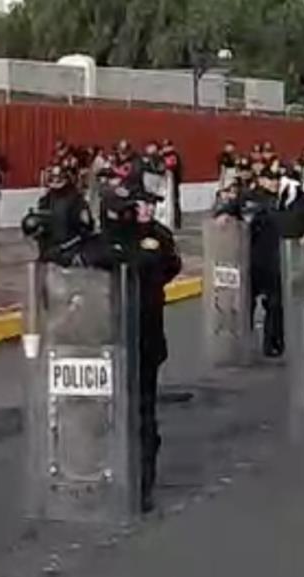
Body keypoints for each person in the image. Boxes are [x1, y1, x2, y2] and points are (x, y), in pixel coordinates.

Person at [89, 183, 181, 513]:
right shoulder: (105, 237)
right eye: (136, 205)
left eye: (146, 205)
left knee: (142, 412)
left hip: (145, 334)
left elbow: (165, 265)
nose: (143, 210)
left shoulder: (157, 236)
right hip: (107, 335)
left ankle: (142, 483)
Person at [215, 166, 285, 357]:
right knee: (246, 303)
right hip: (249, 257)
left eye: (277, 179)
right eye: (270, 179)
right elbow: (227, 209)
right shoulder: (248, 198)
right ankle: (242, 340)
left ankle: (273, 343)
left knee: (275, 304)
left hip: (275, 259)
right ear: (261, 180)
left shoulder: (284, 199)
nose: (275, 182)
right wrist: (224, 215)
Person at [21, 164, 94, 266]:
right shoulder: (46, 200)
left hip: (69, 251)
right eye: (53, 178)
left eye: (58, 178)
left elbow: (87, 227)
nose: (55, 181)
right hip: (49, 251)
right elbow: (39, 224)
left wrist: (69, 247)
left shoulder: (76, 200)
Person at [161, 139, 184, 229]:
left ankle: (176, 222)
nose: (166, 148)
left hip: (173, 182)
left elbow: (175, 167)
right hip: (164, 184)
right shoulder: (161, 156)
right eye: (165, 146)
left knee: (175, 201)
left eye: (168, 146)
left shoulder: (174, 156)